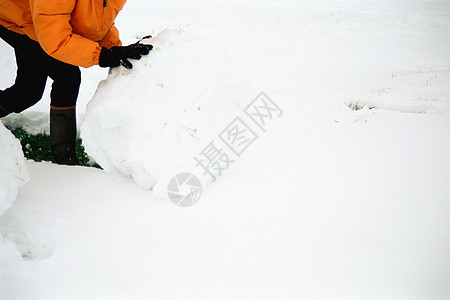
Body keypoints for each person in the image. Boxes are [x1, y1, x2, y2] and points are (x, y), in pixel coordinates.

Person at [0, 0, 152, 165]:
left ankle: (64, 155)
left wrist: (113, 48)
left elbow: (98, 19)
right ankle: (65, 158)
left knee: (28, 90)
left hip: (39, 19)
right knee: (66, 76)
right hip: (13, 16)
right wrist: (102, 56)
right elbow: (56, 39)